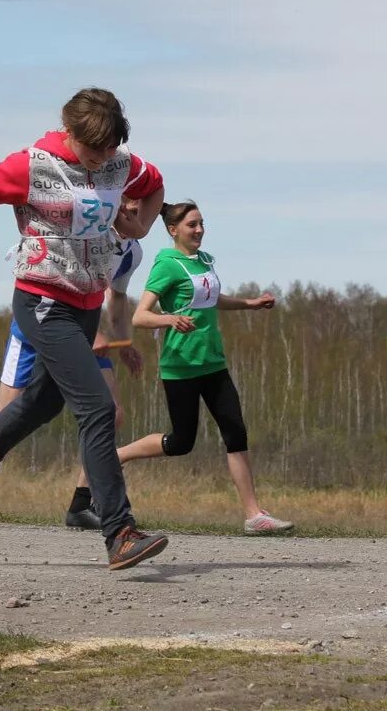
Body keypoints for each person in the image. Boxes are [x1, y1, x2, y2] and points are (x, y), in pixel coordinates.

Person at [0, 87, 169, 570]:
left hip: (86, 302)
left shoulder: (121, 164)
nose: (103, 160)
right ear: (72, 134)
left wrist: (139, 225)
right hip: (41, 300)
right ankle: (119, 531)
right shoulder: (32, 167)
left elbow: (154, 184)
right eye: (94, 149)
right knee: (99, 408)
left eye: (110, 149)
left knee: (40, 402)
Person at [0, 209, 146, 531]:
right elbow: (46, 278)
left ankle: (81, 503)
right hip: (39, 323)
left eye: (143, 212)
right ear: (117, 203)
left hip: (86, 332)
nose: (138, 218)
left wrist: (124, 342)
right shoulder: (85, 226)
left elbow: (115, 298)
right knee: (8, 416)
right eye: (131, 209)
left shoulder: (132, 251)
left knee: (110, 412)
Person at [122, 200, 294, 534]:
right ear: (174, 230)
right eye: (192, 225)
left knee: (236, 432)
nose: (199, 230)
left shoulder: (203, 261)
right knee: (182, 442)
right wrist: (170, 319)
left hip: (213, 362)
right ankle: (119, 456)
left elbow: (212, 300)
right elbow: (139, 316)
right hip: (181, 365)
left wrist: (250, 304)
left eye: (201, 224)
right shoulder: (167, 265)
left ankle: (254, 515)